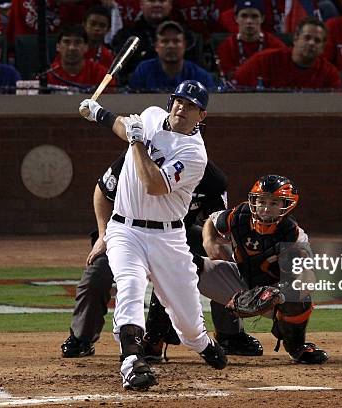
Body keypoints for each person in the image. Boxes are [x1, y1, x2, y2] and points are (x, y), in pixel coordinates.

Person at [78, 80, 227, 391]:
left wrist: (137, 144)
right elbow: (126, 125)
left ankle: (202, 343)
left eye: (191, 105)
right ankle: (132, 361)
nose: (181, 108)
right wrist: (98, 113)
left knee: (186, 320)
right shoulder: (151, 115)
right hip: (125, 228)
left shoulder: (194, 154)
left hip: (168, 238)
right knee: (129, 285)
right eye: (178, 101)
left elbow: (154, 185)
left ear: (202, 116)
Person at [61, 156, 263, 359]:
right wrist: (103, 234)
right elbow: (103, 191)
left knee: (223, 260)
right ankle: (82, 338)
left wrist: (211, 240)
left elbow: (215, 217)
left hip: (176, 235)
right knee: (99, 273)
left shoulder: (209, 174)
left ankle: (229, 335)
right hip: (126, 231)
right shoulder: (138, 157)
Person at [198, 175, 329, 364]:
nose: (266, 208)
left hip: (274, 297)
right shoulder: (239, 216)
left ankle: (296, 347)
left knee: (300, 297)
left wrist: (277, 293)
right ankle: (155, 341)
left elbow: (307, 278)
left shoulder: (293, 235)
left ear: (287, 204)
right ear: (253, 201)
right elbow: (212, 219)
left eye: (274, 203)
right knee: (185, 267)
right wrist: (209, 240)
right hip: (241, 280)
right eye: (262, 201)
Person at [234, 16, 342, 89]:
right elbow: (236, 85)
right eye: (307, 38)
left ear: (323, 47)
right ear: (295, 39)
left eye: (317, 40)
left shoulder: (329, 74)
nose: (311, 43)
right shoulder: (264, 60)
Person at [110, 0, 203, 79]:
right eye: (151, 0)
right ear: (141, 4)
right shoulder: (126, 36)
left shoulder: (187, 36)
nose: (157, 4)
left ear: (170, 5)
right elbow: (121, 73)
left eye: (162, 1)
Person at [128, 20, 215, 91]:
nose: (171, 46)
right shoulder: (143, 71)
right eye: (165, 41)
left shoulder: (199, 76)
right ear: (156, 46)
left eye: (176, 41)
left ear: (184, 45)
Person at [216, 0, 287, 79]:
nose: (249, 21)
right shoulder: (226, 47)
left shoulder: (276, 46)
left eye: (254, 16)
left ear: (262, 18)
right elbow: (228, 78)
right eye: (244, 16)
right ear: (236, 18)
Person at [46, 25, 112, 93]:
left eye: (77, 42)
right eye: (66, 42)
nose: (72, 48)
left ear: (86, 47)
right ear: (58, 47)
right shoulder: (48, 75)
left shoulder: (101, 74)